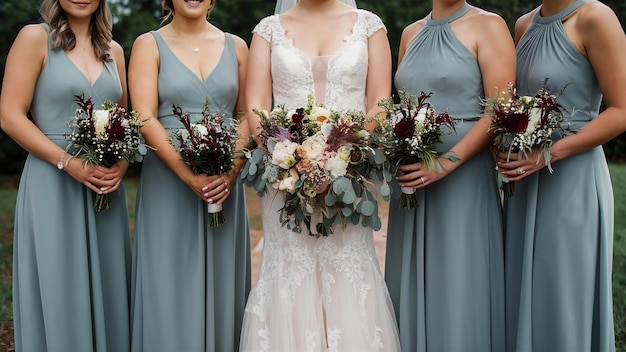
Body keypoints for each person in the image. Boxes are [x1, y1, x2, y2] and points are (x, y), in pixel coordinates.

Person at [239, 0, 400, 350]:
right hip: (284, 178)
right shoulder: (268, 29)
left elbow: (380, 102)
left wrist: (340, 156)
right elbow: (255, 106)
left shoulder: (369, 26)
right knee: (290, 272)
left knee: (347, 269)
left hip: (351, 176)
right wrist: (291, 161)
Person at [383, 1, 515, 351]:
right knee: (412, 277)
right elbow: (403, 107)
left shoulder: (489, 25)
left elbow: (499, 109)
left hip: (463, 179)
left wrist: (444, 163)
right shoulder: (411, 33)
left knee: (459, 280)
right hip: (412, 181)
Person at [0, 0, 131, 351]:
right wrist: (68, 163)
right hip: (52, 182)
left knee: (109, 287)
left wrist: (121, 165)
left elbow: (124, 124)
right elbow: (10, 116)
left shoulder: (114, 52)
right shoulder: (34, 38)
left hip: (104, 189)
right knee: (60, 286)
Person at [495, 0, 626, 350]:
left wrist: (549, 153)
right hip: (525, 181)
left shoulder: (595, 17)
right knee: (524, 294)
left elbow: (621, 110)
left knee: (563, 295)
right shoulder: (524, 24)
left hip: (572, 179)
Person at [127, 0, 251, 350]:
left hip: (224, 181)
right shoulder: (147, 44)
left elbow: (246, 115)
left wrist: (230, 171)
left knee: (222, 277)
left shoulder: (238, 47)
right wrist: (186, 174)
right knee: (168, 278)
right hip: (168, 180)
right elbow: (145, 116)